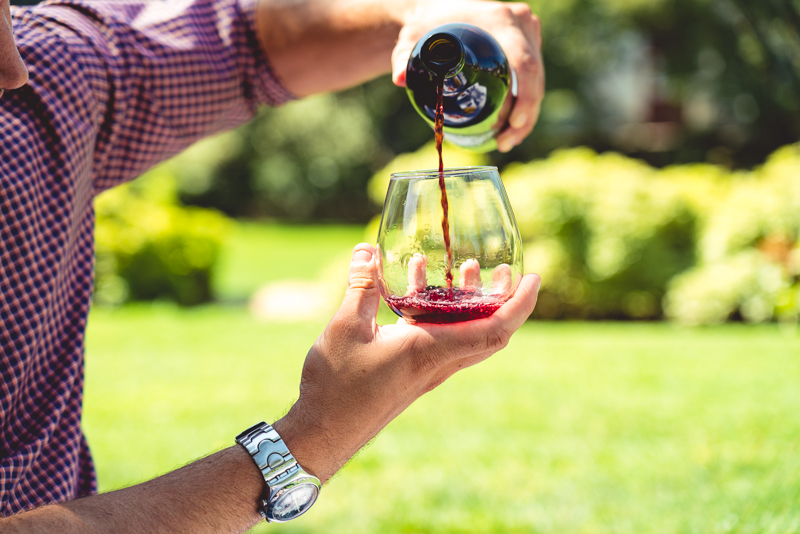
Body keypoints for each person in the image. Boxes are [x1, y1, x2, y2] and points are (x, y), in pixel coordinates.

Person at [0, 0, 544, 530]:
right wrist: (315, 436)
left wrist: (416, 12)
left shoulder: (35, 88)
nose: (11, 63)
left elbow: (241, 42)